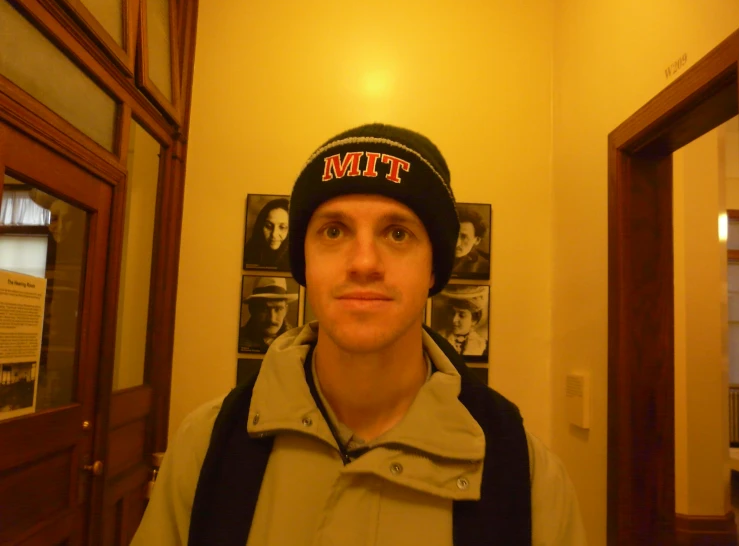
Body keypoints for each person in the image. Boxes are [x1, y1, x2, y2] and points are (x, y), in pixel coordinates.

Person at [132, 124, 587, 545]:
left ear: (434, 269)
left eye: (397, 233)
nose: (364, 262)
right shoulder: (207, 447)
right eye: (334, 230)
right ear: (303, 264)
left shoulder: (523, 474)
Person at [238, 276, 298, 353]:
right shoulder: (237, 339)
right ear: (252, 309)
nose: (272, 319)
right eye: (264, 310)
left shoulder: (296, 340)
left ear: (286, 310)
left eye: (278, 309)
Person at [437, 285, 488, 357]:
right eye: (452, 313)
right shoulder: (438, 340)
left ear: (474, 320)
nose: (454, 320)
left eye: (462, 315)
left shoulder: (484, 347)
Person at [242, 197, 291, 270]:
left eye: (282, 227)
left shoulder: (297, 259)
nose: (274, 234)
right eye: (268, 226)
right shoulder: (249, 252)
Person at [452, 205, 490, 277]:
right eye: (453, 234)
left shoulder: (484, 267)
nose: (457, 243)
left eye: (464, 236)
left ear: (477, 240)